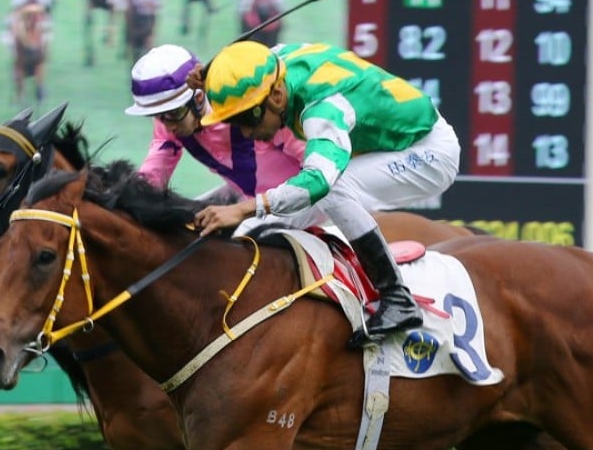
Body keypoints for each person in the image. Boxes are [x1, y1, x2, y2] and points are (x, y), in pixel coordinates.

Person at [192, 40, 461, 344]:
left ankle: (397, 297)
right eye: (233, 121)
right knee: (254, 228)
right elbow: (251, 59)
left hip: (429, 153)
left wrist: (241, 207)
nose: (245, 132)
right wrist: (215, 73)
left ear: (278, 96)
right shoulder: (275, 67)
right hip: (386, 145)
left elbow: (320, 181)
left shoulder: (322, 111)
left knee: (333, 188)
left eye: (247, 119)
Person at [124, 43, 309, 236]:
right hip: (249, 197)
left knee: (244, 238)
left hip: (304, 194)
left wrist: (253, 208)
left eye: (172, 113)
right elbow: (152, 176)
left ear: (198, 98)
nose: (167, 125)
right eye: (157, 115)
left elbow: (317, 173)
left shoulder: (249, 106)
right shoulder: (170, 122)